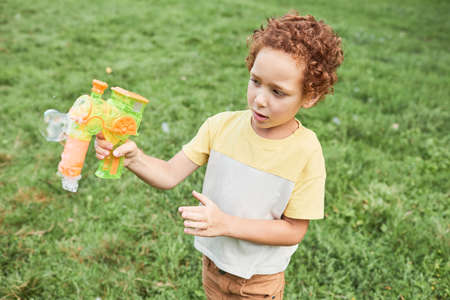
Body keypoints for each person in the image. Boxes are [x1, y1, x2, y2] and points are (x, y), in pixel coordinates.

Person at [95, 11, 343, 299]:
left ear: (310, 96)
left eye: (278, 92)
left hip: (258, 281)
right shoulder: (220, 126)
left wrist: (226, 224)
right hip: (212, 267)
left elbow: (293, 230)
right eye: (256, 81)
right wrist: (134, 158)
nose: (260, 99)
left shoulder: (305, 151)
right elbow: (168, 174)